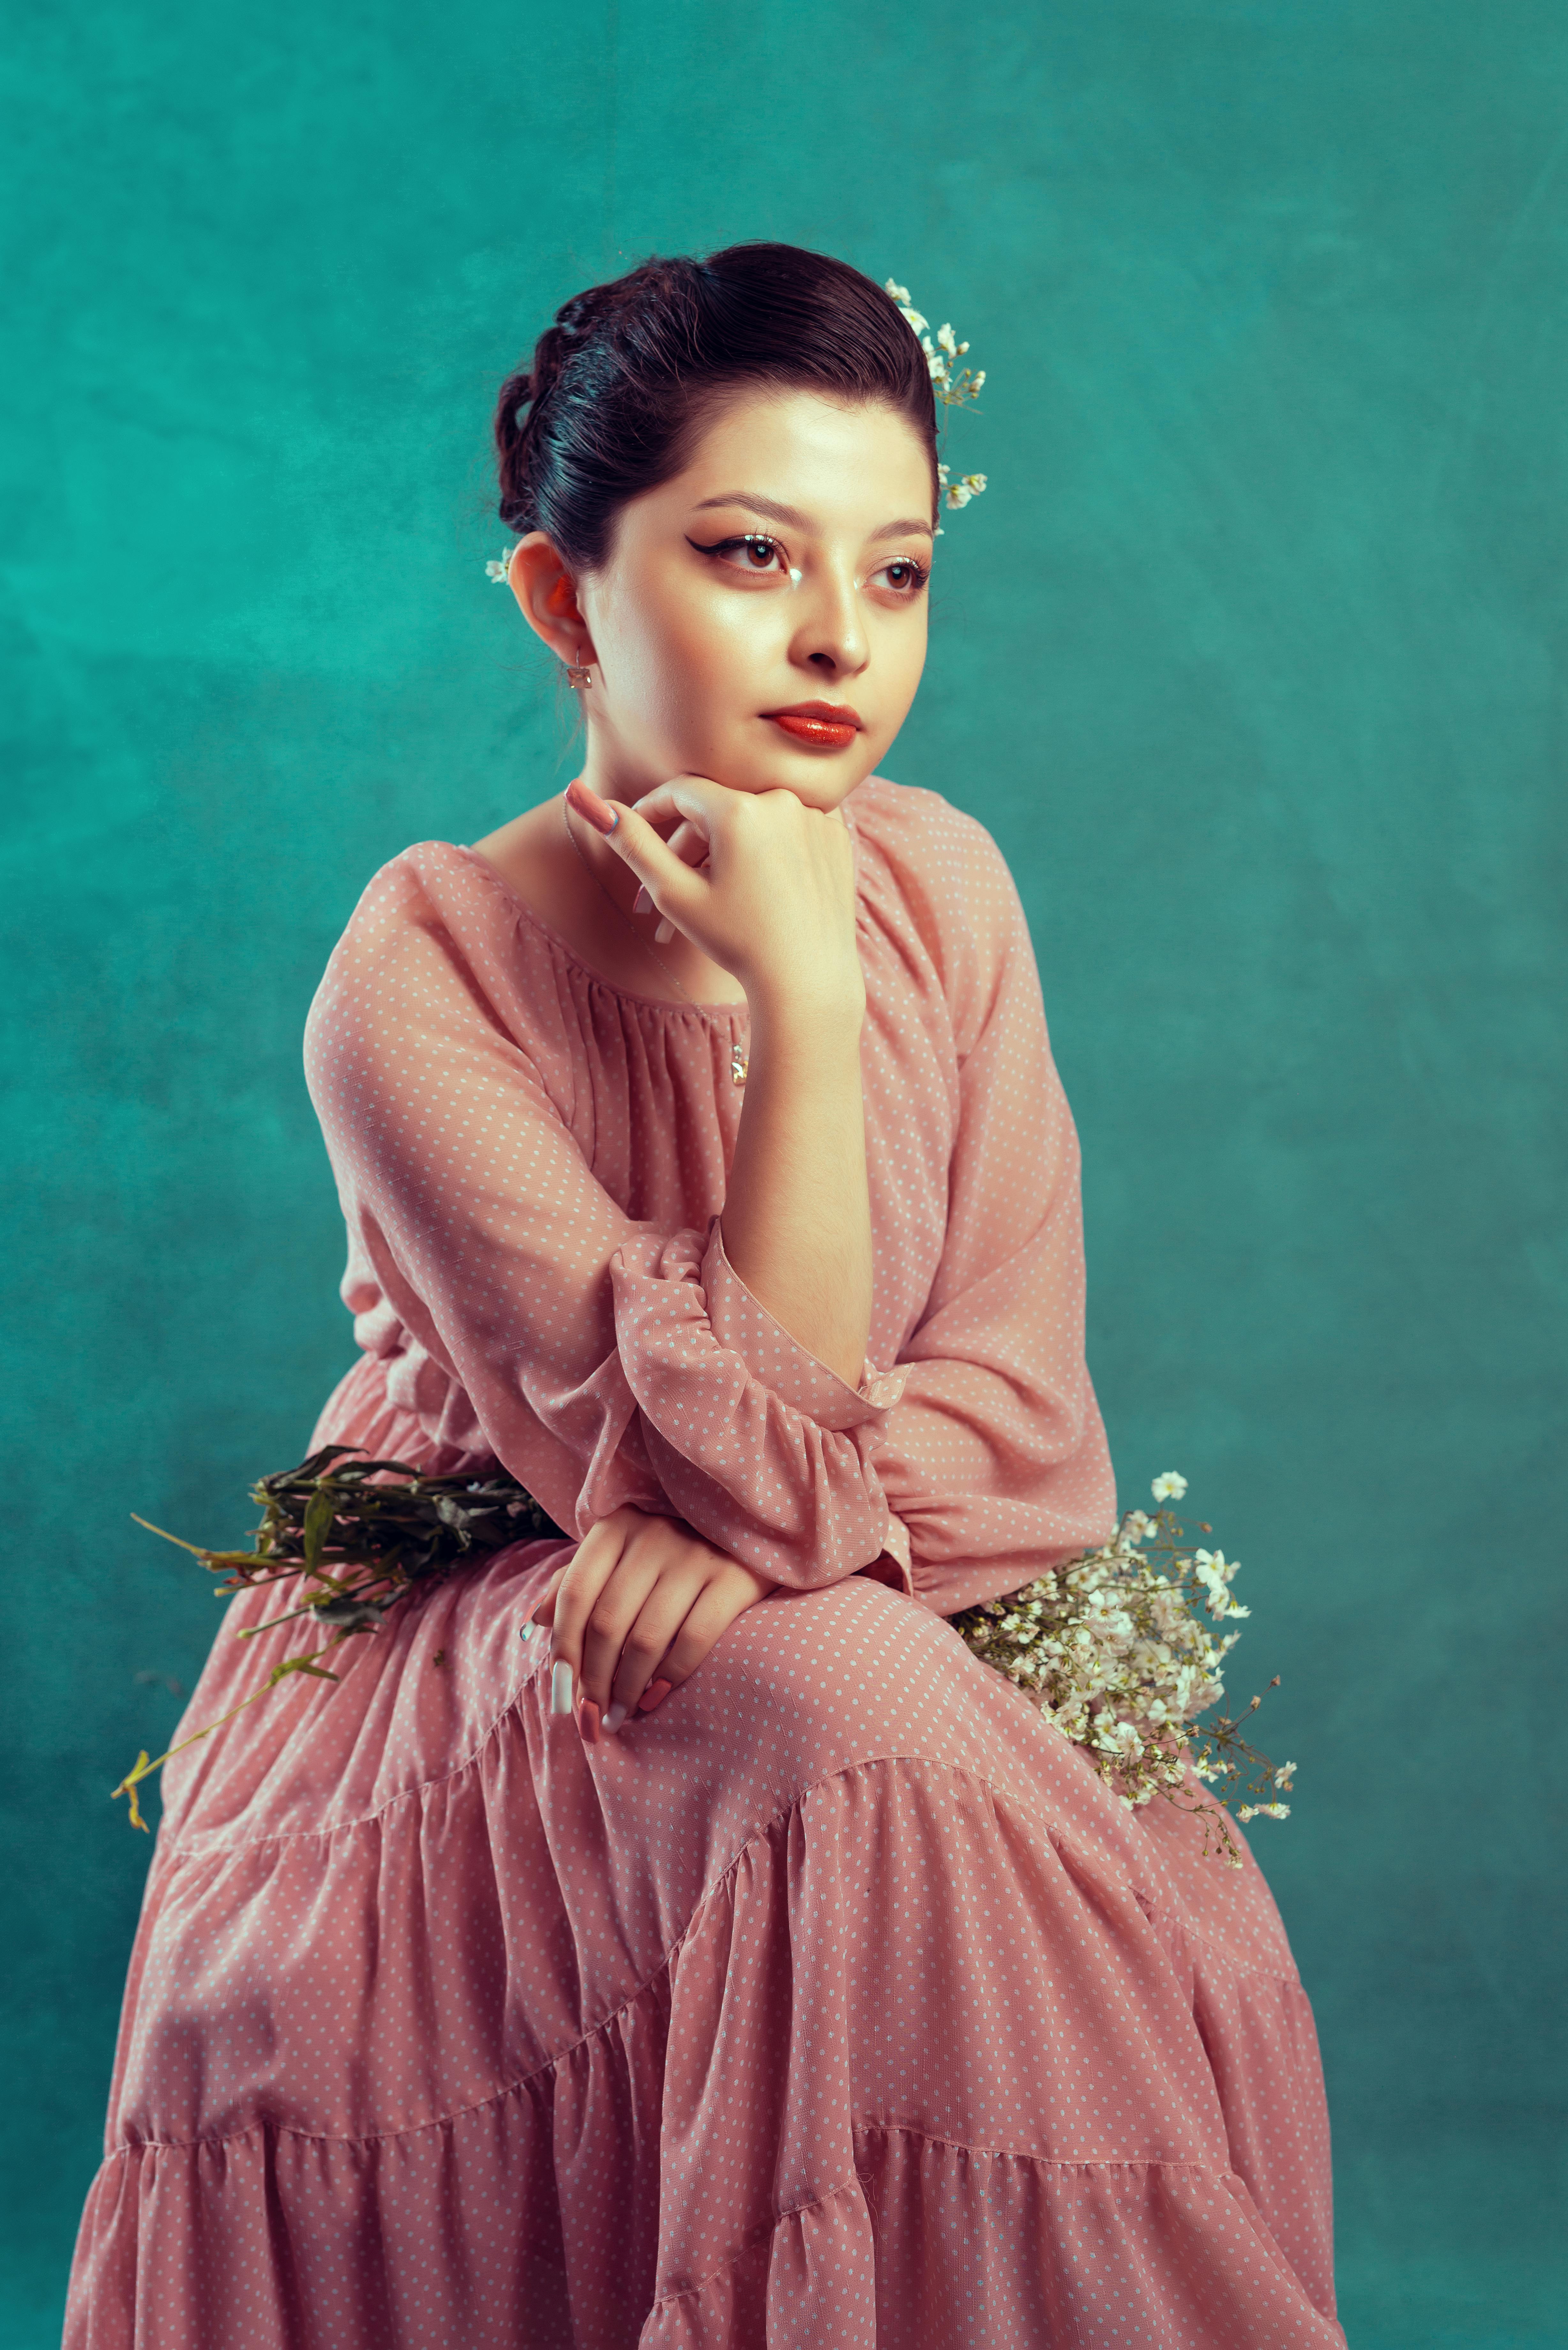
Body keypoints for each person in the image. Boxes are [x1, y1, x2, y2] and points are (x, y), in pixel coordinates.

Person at [64, 243, 1343, 2347]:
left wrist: (777, 1506)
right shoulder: (427, 967)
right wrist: (802, 1030)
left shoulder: (950, 887)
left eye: (903, 573)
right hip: (508, 1603)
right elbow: (669, 1472)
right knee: (850, 1721)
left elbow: (1021, 1436)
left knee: (1026, 1791)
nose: (842, 637)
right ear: (566, 600)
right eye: (752, 555)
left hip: (835, 1572)